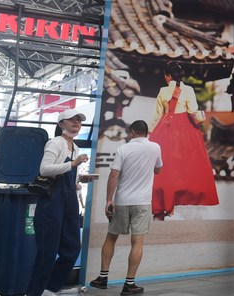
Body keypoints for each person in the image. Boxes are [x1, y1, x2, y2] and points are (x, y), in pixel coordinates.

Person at [89, 120, 163, 295]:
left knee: (111, 237)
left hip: (122, 201)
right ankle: (129, 284)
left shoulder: (124, 149)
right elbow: (159, 170)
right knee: (137, 242)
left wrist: (109, 200)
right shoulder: (155, 147)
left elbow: (114, 174)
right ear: (146, 132)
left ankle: (102, 278)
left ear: (132, 132)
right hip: (142, 202)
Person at [27, 109, 95, 296]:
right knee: (47, 253)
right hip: (51, 201)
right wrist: (73, 165)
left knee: (72, 249)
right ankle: (35, 292)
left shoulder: (76, 148)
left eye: (79, 120)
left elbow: (67, 175)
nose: (76, 122)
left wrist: (80, 180)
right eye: (71, 120)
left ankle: (49, 288)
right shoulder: (55, 143)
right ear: (61, 124)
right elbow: (45, 169)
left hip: (69, 201)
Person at [148, 61, 218, 219]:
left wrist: (151, 133)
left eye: (165, 76)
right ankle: (176, 200)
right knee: (185, 167)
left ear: (169, 76)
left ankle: (162, 204)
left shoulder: (163, 91)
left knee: (164, 169)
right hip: (185, 131)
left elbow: (157, 115)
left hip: (165, 129)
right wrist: (202, 118)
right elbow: (193, 111)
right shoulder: (188, 90)